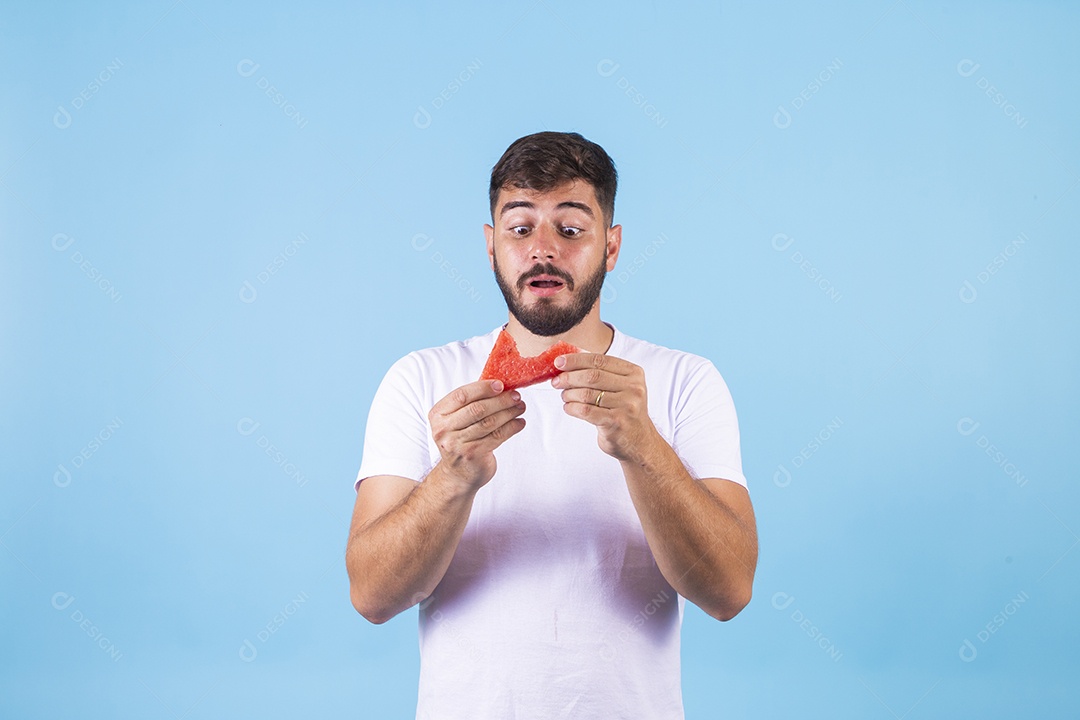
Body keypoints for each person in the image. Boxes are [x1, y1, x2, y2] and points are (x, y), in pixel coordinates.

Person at [346, 131, 757, 719]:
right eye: (520, 229)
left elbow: (728, 592)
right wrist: (453, 477)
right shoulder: (420, 378)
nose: (542, 250)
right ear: (490, 245)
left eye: (570, 229)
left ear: (611, 247)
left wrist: (643, 447)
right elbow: (372, 596)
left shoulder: (685, 380)